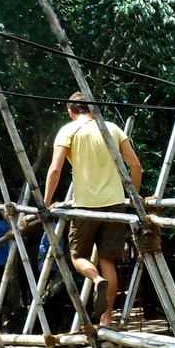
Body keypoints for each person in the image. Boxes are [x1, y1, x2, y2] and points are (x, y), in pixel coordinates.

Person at [42, 95, 142, 326]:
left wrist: (46, 202)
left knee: (78, 256)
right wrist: (133, 197)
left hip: (85, 205)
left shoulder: (69, 130)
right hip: (115, 204)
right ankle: (107, 319)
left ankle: (96, 280)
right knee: (108, 260)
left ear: (71, 111)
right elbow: (135, 165)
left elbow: (55, 169)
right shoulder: (112, 129)